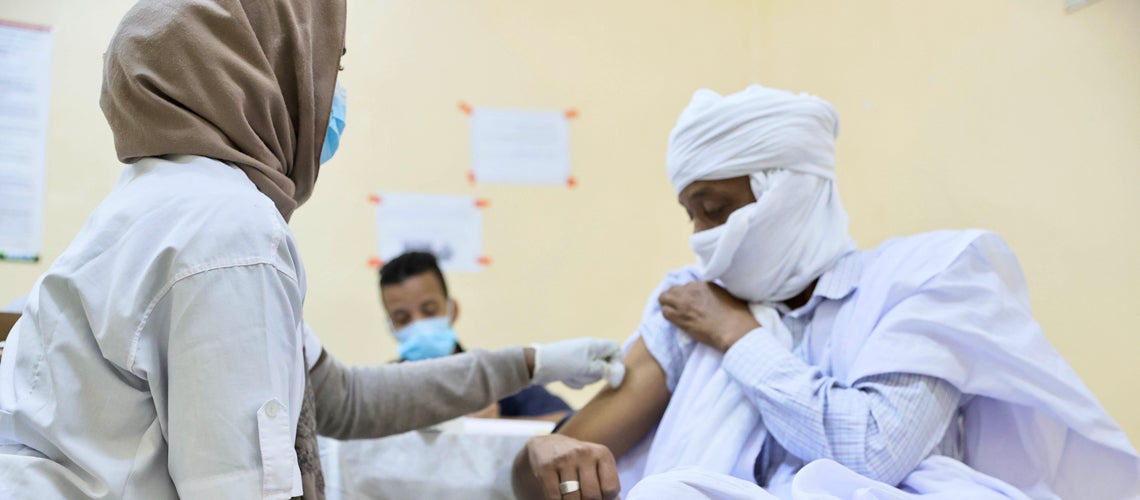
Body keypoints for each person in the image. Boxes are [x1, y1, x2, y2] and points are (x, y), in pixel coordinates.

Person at [0, 1, 622, 499]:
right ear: (261, 69)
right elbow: (241, 489)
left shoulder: (153, 208)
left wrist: (533, 362)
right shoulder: (227, 232)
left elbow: (344, 399)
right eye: (333, 67)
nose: (333, 93)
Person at [511, 84, 1140, 500]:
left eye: (717, 208)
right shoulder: (687, 305)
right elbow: (572, 452)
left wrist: (738, 336)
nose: (703, 237)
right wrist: (538, 452)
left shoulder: (923, 281)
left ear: (789, 192)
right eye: (690, 216)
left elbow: (873, 453)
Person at [380, 251, 573, 422]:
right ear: (391, 326)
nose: (419, 324)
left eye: (429, 311)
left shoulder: (494, 375)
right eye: (403, 318)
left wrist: (495, 426)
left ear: (452, 310)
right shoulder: (383, 388)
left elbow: (566, 420)